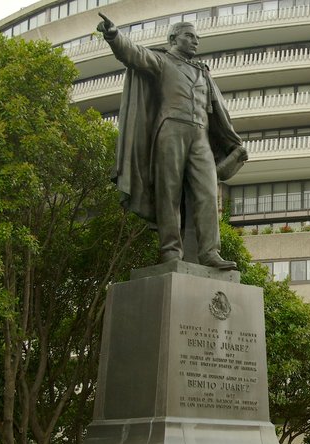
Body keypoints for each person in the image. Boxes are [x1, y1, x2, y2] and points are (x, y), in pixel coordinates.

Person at [97, 13, 247, 270]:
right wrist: (114, 35)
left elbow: (218, 111)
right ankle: (170, 252)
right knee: (170, 193)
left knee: (208, 193)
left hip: (200, 135)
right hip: (171, 131)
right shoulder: (162, 61)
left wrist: (230, 142)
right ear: (173, 38)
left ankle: (210, 252)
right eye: (189, 36)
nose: (195, 41)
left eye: (197, 37)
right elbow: (133, 54)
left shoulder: (203, 72)